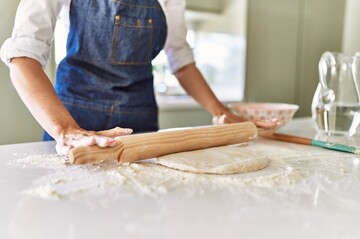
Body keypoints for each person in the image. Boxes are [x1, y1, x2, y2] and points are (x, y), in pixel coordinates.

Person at [1, 0, 277, 155]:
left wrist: (221, 112)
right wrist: (66, 131)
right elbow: (24, 56)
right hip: (74, 117)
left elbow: (180, 58)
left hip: (140, 123)